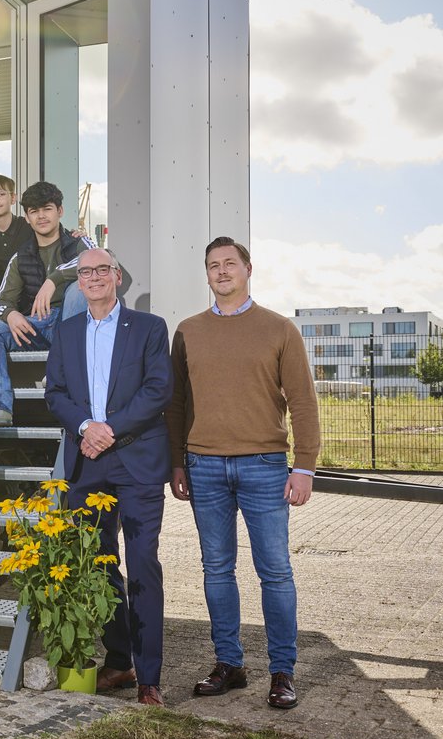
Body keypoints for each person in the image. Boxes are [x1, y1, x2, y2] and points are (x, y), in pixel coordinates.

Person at [167, 236, 320, 710]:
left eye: (229, 263)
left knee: (274, 571)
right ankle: (229, 664)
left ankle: (282, 671)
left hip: (265, 466)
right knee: (216, 569)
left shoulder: (279, 329)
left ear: (248, 269)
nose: (221, 271)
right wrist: (177, 461)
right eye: (212, 265)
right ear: (207, 274)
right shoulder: (188, 330)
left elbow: (302, 401)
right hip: (204, 465)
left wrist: (305, 467)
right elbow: (176, 405)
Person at [44, 246, 173, 706]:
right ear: (78, 282)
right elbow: (55, 393)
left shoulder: (149, 328)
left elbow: (159, 389)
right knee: (99, 566)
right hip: (86, 460)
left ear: (117, 276)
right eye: (86, 272)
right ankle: (119, 662)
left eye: (103, 269)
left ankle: (150, 679)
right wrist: (85, 427)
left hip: (135, 460)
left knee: (142, 567)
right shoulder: (66, 331)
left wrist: (109, 429)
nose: (95, 277)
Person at [0, 180, 95, 426]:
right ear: (27, 217)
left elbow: (100, 259)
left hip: (73, 324)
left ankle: (62, 372)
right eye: (34, 211)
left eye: (47, 209)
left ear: (59, 211)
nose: (41, 216)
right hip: (40, 325)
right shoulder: (21, 256)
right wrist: (10, 315)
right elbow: (0, 302)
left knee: (76, 291)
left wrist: (54, 279)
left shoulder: (77, 242)